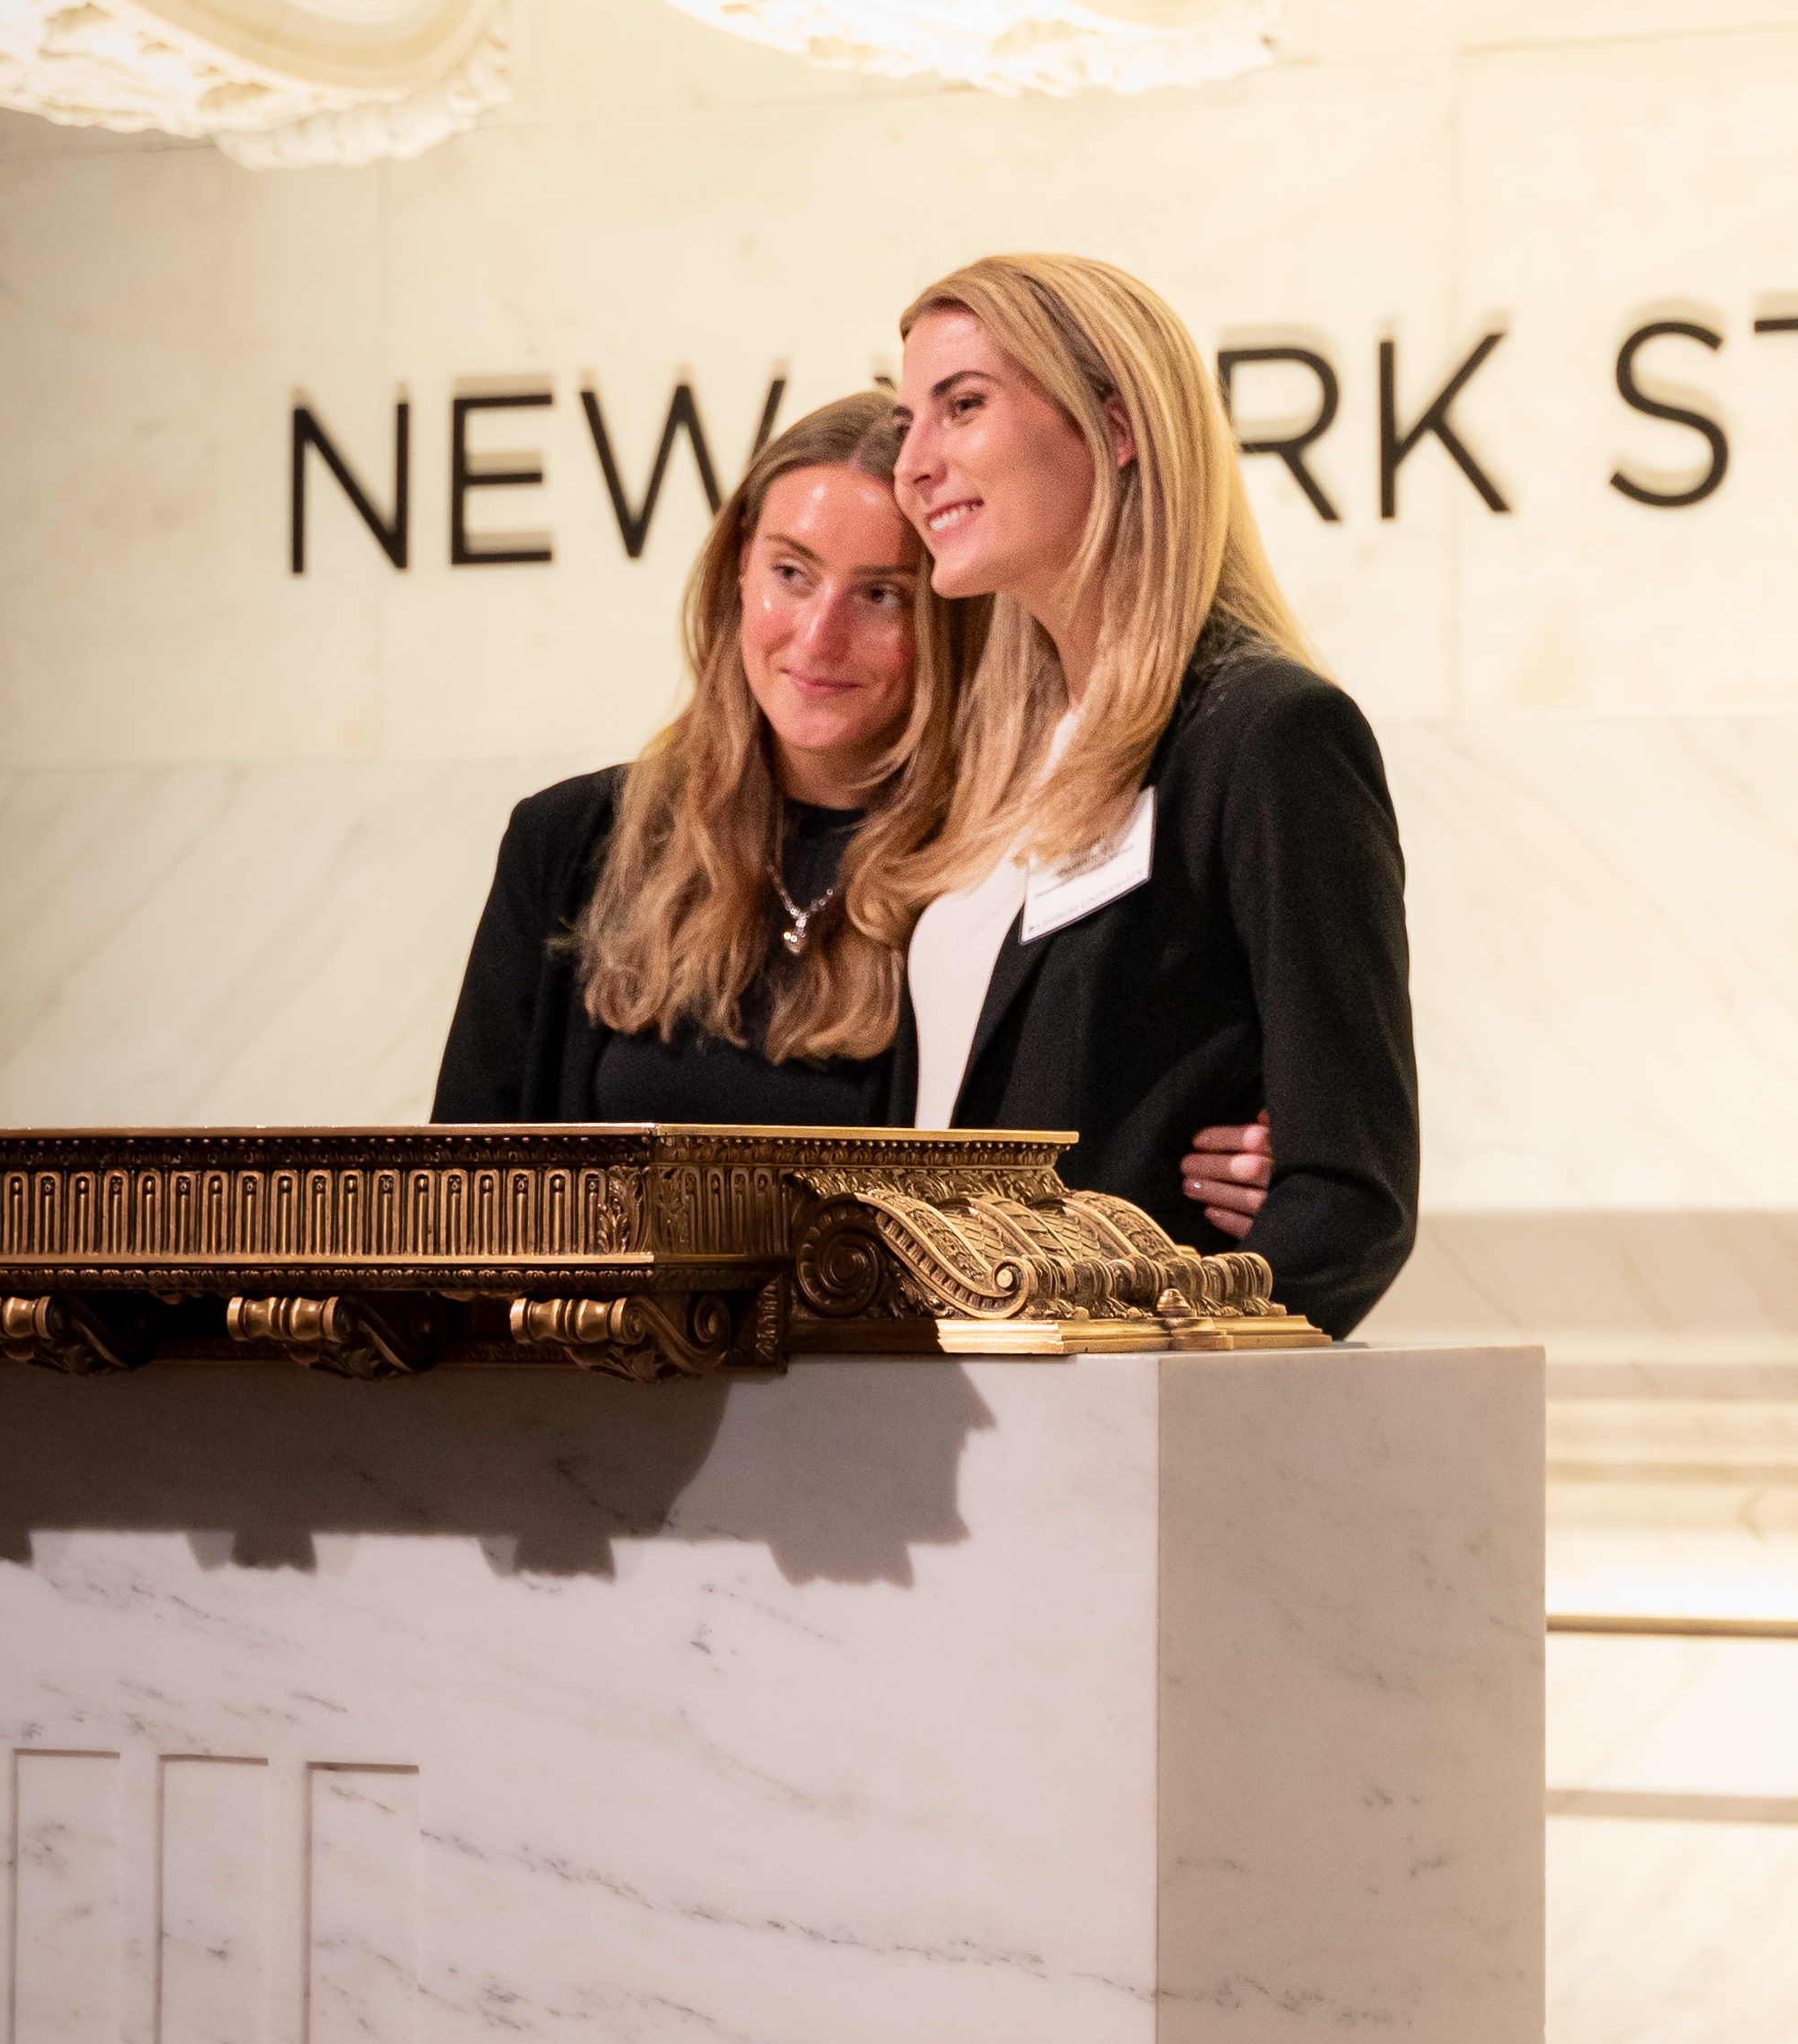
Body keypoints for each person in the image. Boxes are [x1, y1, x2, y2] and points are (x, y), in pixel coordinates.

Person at [888, 252, 1416, 1333]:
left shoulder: (1268, 734)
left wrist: (1156, 1359)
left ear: (1117, 428)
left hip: (1107, 1443)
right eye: (908, 421)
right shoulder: (990, 764)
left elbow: (1349, 1199)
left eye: (963, 406)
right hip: (933, 1422)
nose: (914, 464)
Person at [428, 390, 960, 1125]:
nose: (817, 637)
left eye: (880, 595)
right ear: (741, 567)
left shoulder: (989, 868)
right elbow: (463, 1191)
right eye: (791, 573)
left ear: (949, 616)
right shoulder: (570, 840)